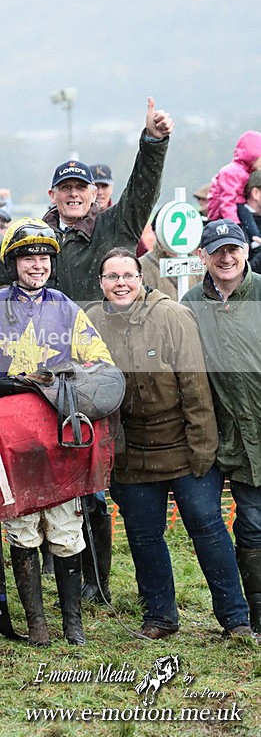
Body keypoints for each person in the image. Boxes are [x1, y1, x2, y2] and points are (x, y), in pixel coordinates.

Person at [0, 217, 114, 646]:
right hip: (10, 435)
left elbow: (99, 361)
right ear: (13, 262)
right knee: (22, 529)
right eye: (27, 257)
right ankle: (37, 624)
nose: (36, 265)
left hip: (56, 432)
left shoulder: (67, 308)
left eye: (42, 257)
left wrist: (72, 382)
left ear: (51, 262)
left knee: (64, 527)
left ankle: (72, 623)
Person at [86, 246, 254, 640]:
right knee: (144, 536)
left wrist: (202, 455)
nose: (121, 283)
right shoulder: (91, 320)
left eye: (127, 275)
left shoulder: (173, 316)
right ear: (101, 283)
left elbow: (196, 390)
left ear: (140, 278)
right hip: (130, 453)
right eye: (112, 277)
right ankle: (160, 617)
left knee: (208, 528)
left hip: (183, 445)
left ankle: (236, 619)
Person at [0, 97, 174, 303]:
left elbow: (143, 187)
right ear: (52, 195)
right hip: (50, 337)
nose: (73, 193)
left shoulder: (116, 225)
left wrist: (153, 142)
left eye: (81, 187)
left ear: (93, 193)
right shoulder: (32, 237)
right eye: (66, 187)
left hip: (105, 335)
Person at [182, 219, 261, 634]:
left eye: (233, 249)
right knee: (232, 520)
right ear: (203, 256)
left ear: (245, 251)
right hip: (216, 433)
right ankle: (243, 616)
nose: (226, 258)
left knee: (254, 521)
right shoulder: (191, 303)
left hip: (259, 432)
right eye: (217, 251)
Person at [207, 131, 261, 248]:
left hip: (239, 206)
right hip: (223, 212)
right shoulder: (232, 171)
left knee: (249, 222)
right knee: (242, 232)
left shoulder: (246, 171)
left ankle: (255, 240)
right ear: (252, 155)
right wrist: (234, 225)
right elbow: (227, 201)